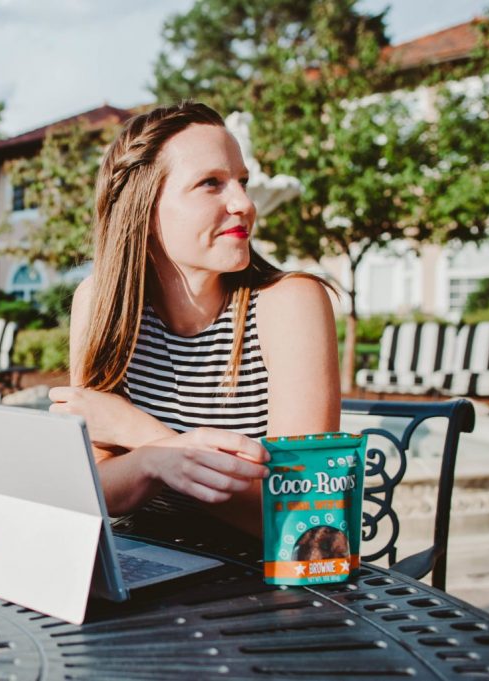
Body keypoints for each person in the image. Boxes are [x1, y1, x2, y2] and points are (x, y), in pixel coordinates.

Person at [49, 103, 340, 535]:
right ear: (143, 211)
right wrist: (154, 461)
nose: (244, 203)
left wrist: (144, 437)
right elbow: (95, 487)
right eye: (211, 184)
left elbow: (300, 510)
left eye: (242, 182)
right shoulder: (100, 305)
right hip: (145, 564)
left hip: (256, 578)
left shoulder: (288, 302)